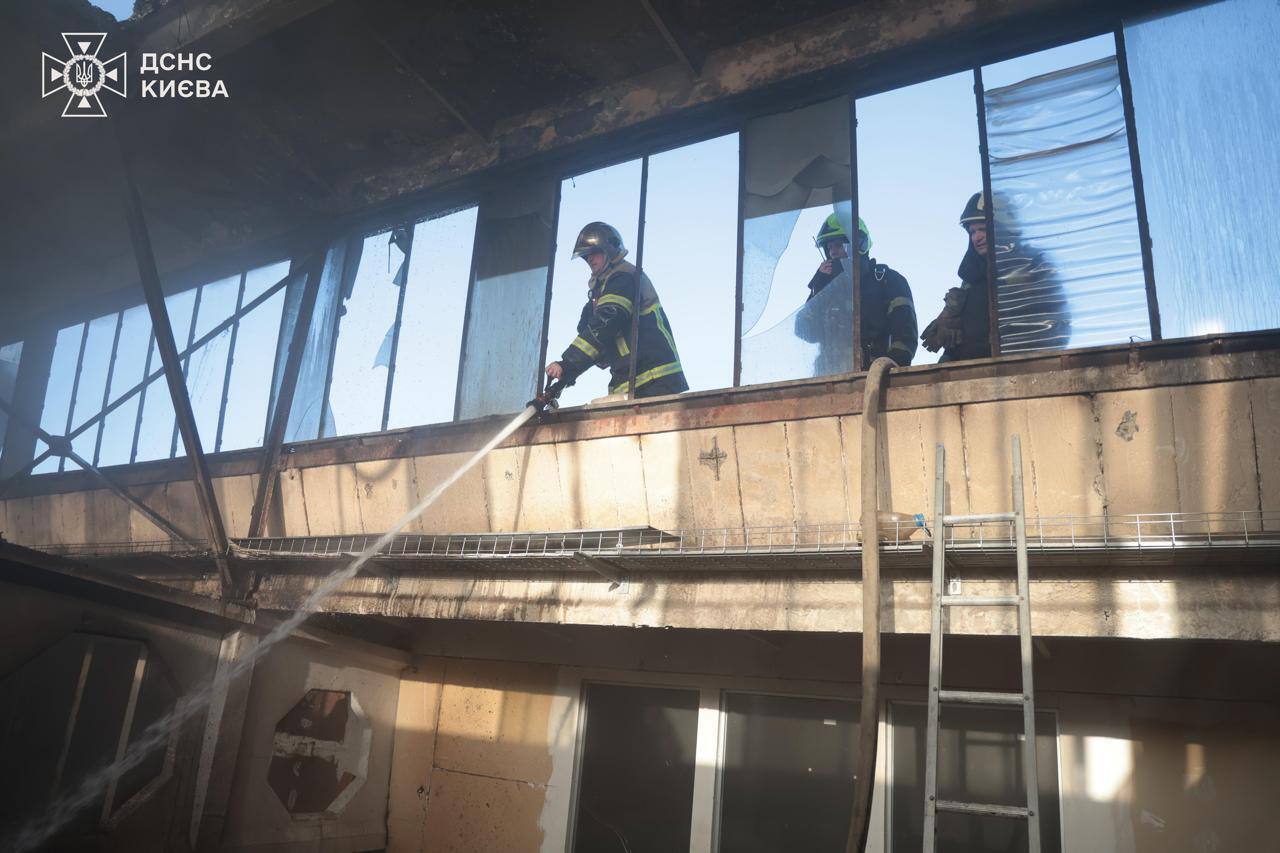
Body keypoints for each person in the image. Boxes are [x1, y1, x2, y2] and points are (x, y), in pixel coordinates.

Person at [544, 221, 688, 399]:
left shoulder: (624, 278)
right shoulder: (600, 294)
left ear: (610, 249)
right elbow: (593, 343)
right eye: (586, 256)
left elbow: (605, 324)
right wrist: (567, 373)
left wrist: (567, 363)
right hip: (631, 382)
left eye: (594, 252)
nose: (589, 259)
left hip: (653, 377)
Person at [795, 213, 917, 372]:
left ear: (859, 244)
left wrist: (888, 372)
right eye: (829, 247)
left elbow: (905, 333)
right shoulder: (827, 290)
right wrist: (818, 289)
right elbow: (804, 330)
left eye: (839, 245)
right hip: (829, 379)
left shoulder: (887, 280)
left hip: (872, 378)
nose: (833, 252)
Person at [921, 192, 992, 362]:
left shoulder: (1027, 269)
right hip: (971, 371)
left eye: (983, 229)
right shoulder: (971, 280)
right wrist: (948, 357)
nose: (977, 237)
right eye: (972, 232)